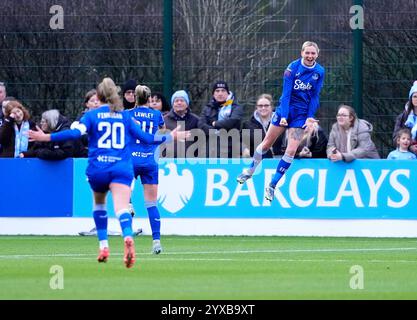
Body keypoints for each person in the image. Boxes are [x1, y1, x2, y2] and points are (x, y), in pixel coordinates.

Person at [29, 77, 186, 268]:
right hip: (122, 166)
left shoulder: (92, 115)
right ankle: (130, 235)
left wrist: (46, 137)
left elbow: (74, 134)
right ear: (116, 94)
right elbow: (147, 137)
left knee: (100, 204)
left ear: (99, 95)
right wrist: (170, 137)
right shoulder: (125, 117)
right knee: (124, 207)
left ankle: (103, 244)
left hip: (99, 167)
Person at [237, 41, 325, 201]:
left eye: (313, 53)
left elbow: (315, 96)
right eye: (307, 53)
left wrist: (310, 116)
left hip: (301, 116)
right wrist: (284, 115)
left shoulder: (319, 71)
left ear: (317, 54)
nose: (310, 56)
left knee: (291, 150)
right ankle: (249, 171)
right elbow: (286, 94)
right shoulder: (292, 68)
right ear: (302, 53)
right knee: (266, 144)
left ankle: (272, 185)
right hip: (286, 110)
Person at [198, 81, 244, 158]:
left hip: (231, 146)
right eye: (217, 91)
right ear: (213, 94)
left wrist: (215, 124)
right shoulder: (207, 108)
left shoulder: (235, 107)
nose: (220, 93)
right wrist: (215, 132)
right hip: (210, 147)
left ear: (228, 93)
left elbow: (232, 122)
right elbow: (201, 125)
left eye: (223, 90)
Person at [241, 94, 284, 158]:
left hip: (278, 159)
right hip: (257, 160)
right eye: (260, 106)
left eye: (266, 105)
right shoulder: (248, 124)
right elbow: (243, 142)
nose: (263, 108)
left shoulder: (280, 122)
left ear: (271, 107)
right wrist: (244, 149)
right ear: (256, 107)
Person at [163, 90, 200, 158]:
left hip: (191, 161)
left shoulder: (196, 120)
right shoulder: (164, 120)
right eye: (176, 101)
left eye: (182, 100)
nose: (179, 103)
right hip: (168, 160)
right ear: (172, 104)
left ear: (187, 104)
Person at [71, 89, 100, 157]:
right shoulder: (81, 118)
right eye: (92, 101)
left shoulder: (107, 117)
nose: (96, 103)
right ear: (87, 104)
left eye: (98, 100)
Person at [393, 81, 417, 154]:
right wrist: (409, 146)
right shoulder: (402, 117)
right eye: (415, 96)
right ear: (411, 98)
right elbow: (395, 138)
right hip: (406, 155)